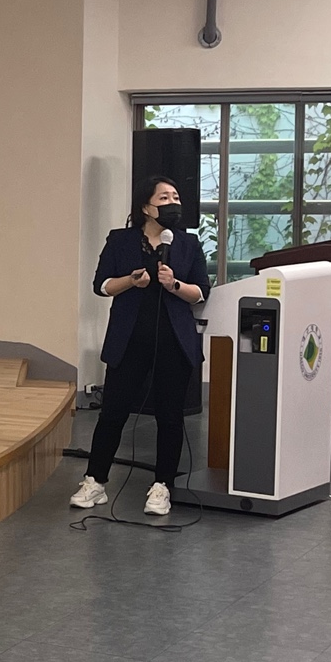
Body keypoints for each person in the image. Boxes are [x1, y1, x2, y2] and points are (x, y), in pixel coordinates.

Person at [73, 176, 211, 516]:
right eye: (164, 197)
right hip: (130, 340)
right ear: (146, 207)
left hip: (173, 343)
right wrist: (131, 281)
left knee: (170, 416)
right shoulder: (120, 240)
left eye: (176, 197)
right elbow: (101, 285)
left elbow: (201, 292)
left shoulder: (188, 243)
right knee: (113, 413)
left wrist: (174, 284)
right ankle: (95, 481)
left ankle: (162, 486)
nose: (173, 203)